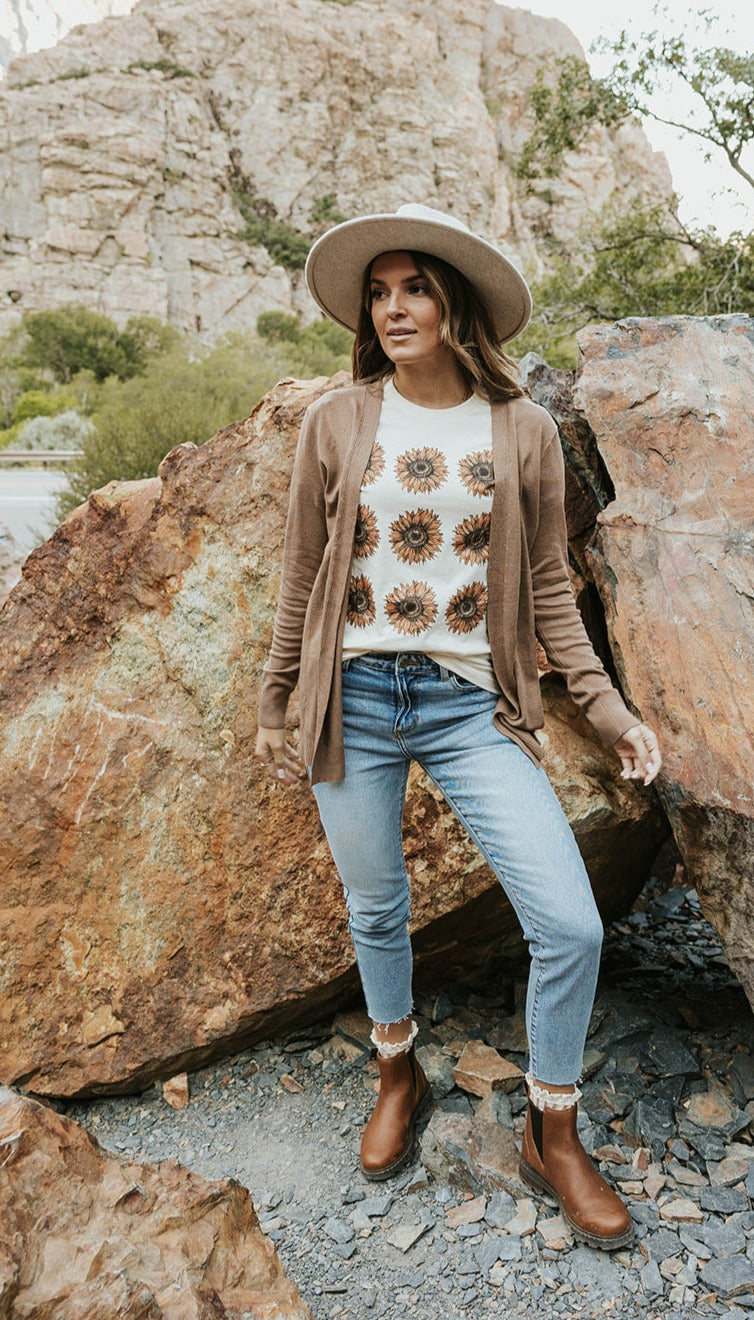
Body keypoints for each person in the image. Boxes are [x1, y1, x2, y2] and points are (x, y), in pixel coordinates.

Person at [254, 203, 662, 1251]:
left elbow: (547, 588)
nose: (393, 309)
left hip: (466, 706)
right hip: (353, 702)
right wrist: (275, 699)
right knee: (376, 907)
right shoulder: (336, 421)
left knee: (569, 924)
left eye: (415, 289)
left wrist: (607, 709)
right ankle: (398, 1073)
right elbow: (301, 573)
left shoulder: (521, 430)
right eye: (378, 293)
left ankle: (551, 1129)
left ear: (454, 306)